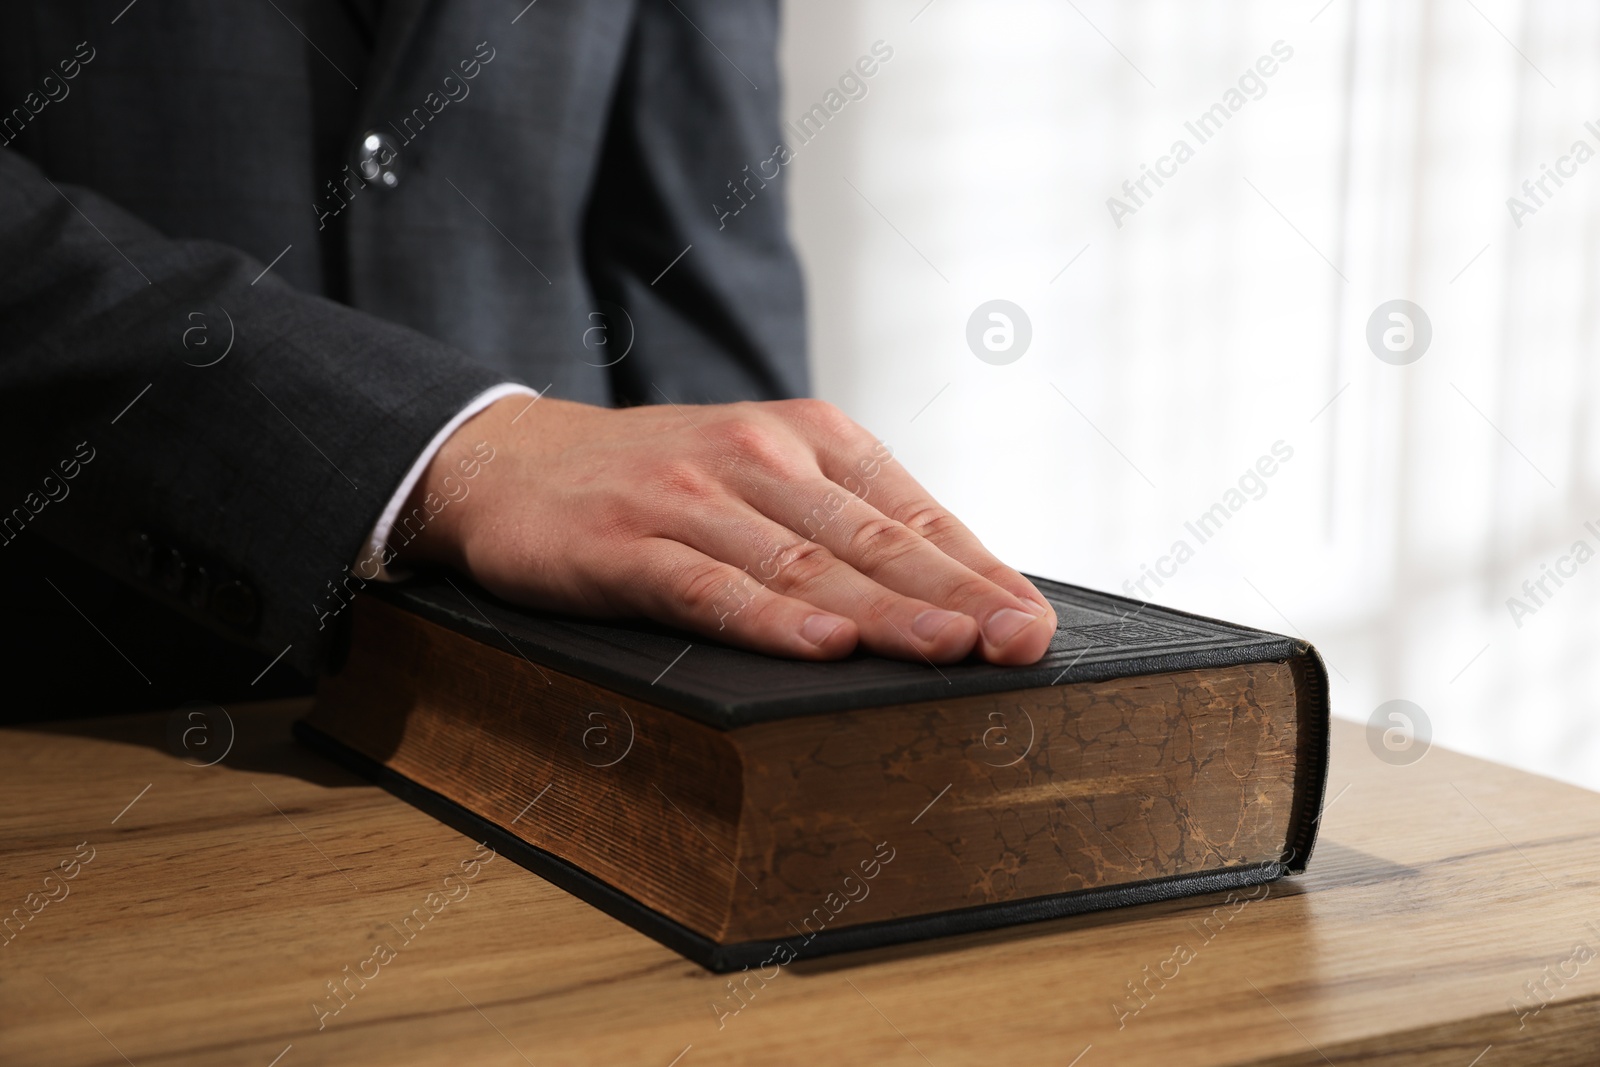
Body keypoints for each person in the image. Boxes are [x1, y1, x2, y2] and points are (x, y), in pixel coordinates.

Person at [0, 1, 1055, 719]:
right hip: (85, 693)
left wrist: (787, 643)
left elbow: (693, 249)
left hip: (573, 723)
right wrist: (446, 440)